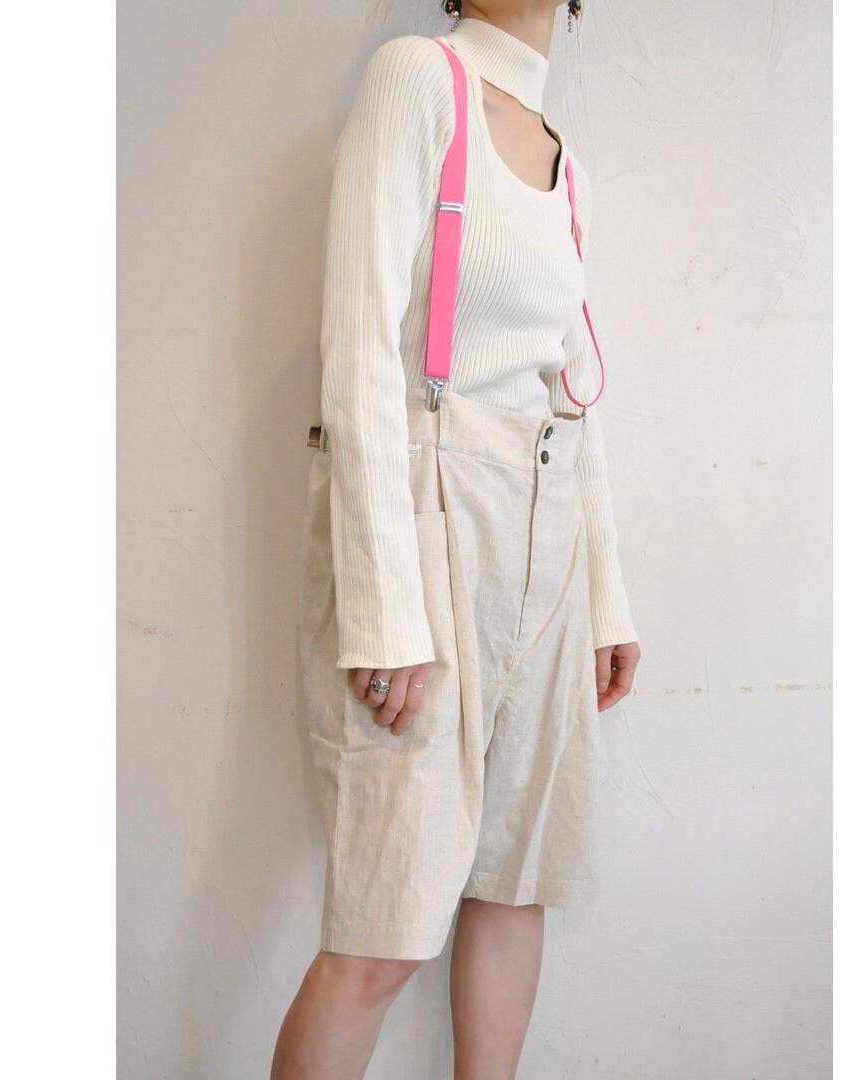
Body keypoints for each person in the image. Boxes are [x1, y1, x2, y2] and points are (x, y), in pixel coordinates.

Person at [273, 3, 641, 1076]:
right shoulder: (417, 81)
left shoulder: (569, 167)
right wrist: (384, 613)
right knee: (382, 931)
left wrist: (605, 600)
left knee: (514, 888)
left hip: (548, 532)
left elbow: (573, 396)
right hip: (429, 521)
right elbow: (357, 354)